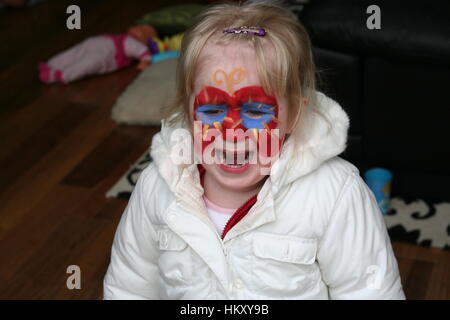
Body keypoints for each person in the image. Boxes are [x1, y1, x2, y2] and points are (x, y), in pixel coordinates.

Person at [103, 1, 405, 300]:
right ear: (187, 109)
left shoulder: (336, 195)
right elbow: (130, 285)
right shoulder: (158, 187)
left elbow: (370, 292)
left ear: (294, 115)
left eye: (257, 111)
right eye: (212, 109)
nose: (233, 134)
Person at [38, 25, 156, 84]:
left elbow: (142, 52)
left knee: (86, 64)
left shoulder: (132, 43)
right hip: (93, 44)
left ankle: (62, 75)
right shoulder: (122, 37)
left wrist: (145, 60)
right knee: (72, 53)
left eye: (144, 32)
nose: (138, 29)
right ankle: (52, 64)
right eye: (139, 26)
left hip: (105, 56)